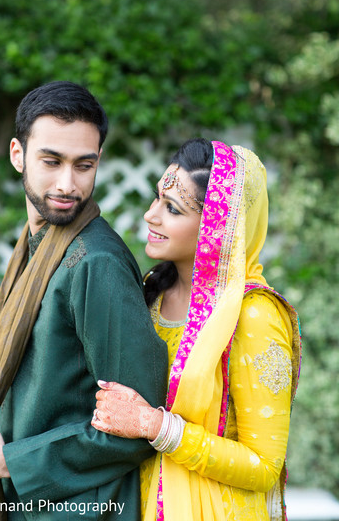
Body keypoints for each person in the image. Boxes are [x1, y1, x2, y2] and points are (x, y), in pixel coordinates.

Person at [0, 81, 168, 520]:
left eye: (84, 165)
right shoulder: (37, 245)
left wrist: (9, 462)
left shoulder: (96, 263)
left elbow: (137, 426)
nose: (67, 184)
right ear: (18, 154)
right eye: (51, 161)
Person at [92, 138, 301, 521]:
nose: (150, 216)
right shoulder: (151, 292)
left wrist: (155, 426)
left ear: (218, 225)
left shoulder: (254, 314)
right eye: (157, 199)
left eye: (172, 209)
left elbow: (264, 466)